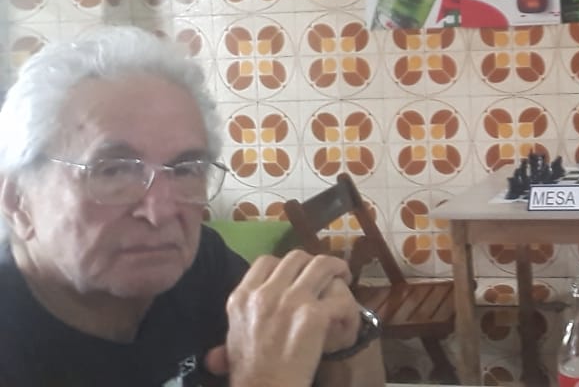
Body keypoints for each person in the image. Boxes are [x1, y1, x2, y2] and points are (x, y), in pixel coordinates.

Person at [0, 26, 385, 387]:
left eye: (185, 169)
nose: (160, 213)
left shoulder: (200, 265)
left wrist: (344, 342)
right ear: (17, 200)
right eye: (113, 170)